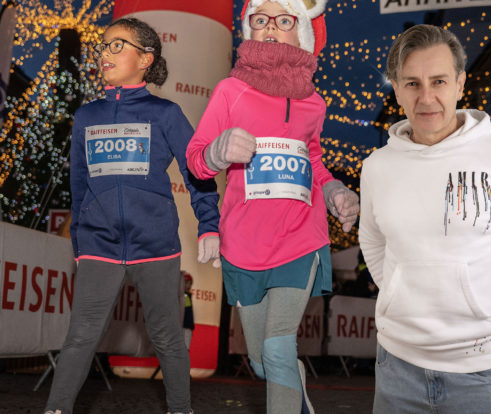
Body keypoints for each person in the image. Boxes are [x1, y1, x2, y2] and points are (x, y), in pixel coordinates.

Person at [359, 24, 491, 413]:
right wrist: (401, 291)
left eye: (439, 81)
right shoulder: (376, 168)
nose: (427, 97)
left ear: (460, 84)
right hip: (396, 369)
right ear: (396, 89)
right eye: (412, 84)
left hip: (483, 373)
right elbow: (372, 239)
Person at [186, 1, 359, 412]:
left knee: (278, 347)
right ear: (250, 27)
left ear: (301, 31)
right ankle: (293, 389)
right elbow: (195, 159)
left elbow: (314, 161)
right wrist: (217, 151)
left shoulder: (314, 102)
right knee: (263, 361)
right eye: (260, 19)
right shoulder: (230, 91)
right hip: (243, 245)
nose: (270, 28)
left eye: (283, 20)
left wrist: (335, 191)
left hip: (301, 239)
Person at [44, 17, 220, 414]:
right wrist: (80, 243)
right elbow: (78, 185)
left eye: (117, 45)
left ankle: (181, 409)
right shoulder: (85, 117)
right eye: (103, 46)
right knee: (80, 336)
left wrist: (209, 225)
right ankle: (55, 409)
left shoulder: (165, 113)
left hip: (156, 243)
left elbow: (198, 173)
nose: (104, 54)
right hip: (98, 244)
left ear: (145, 59)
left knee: (168, 337)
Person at [182, 271, 195, 349]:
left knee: (186, 348)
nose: (189, 286)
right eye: (186, 283)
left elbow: (188, 312)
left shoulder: (187, 296)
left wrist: (190, 325)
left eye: (190, 283)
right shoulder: (182, 296)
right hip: (181, 326)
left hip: (187, 327)